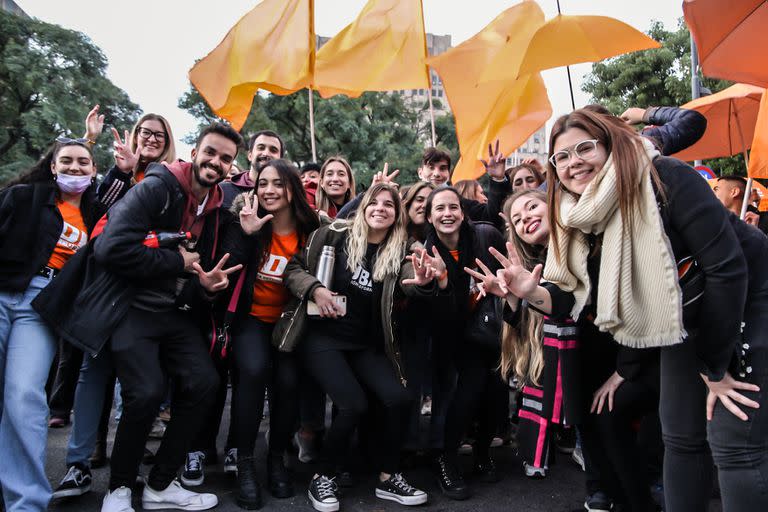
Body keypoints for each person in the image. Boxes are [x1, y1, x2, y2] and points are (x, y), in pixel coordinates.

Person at [494, 108, 754, 512]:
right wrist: (531, 292)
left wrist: (712, 367)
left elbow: (728, 270)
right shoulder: (572, 215)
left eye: (584, 148)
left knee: (733, 444)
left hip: (745, 302)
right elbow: (569, 300)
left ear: (610, 145)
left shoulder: (660, 175)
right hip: (679, 320)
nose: (573, 162)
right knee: (681, 437)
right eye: (561, 157)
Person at [279, 183, 432, 512]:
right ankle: (323, 477)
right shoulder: (336, 234)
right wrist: (316, 290)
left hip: (364, 343)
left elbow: (412, 280)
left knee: (398, 399)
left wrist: (422, 282)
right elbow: (293, 269)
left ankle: (388, 477)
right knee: (353, 405)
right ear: (362, 208)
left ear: (397, 214)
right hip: (322, 337)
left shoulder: (401, 248)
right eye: (373, 202)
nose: (380, 208)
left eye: (388, 204)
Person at [50, 111, 179, 500]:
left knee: (135, 383)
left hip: (147, 295)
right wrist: (122, 173)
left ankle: (130, 453)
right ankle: (79, 463)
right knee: (93, 372)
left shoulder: (173, 182)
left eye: (159, 134)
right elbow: (97, 216)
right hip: (106, 288)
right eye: (145, 132)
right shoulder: (118, 176)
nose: (151, 139)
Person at [0, 137, 100, 512]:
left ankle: (26, 502)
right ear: (53, 166)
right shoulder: (23, 197)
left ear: (93, 171)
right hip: (3, 292)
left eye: (84, 162)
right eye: (67, 161)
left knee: (24, 395)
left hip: (42, 306)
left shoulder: (95, 212)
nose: (75, 168)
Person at [216, 159, 320, 509]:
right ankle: (245, 462)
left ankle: (276, 459)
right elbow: (230, 266)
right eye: (262, 184)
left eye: (278, 183)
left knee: (289, 384)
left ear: (292, 188)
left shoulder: (312, 227)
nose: (269, 190)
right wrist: (247, 233)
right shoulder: (243, 220)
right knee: (254, 372)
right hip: (251, 320)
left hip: (289, 323)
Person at [421, 187, 506, 501]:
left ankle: (483, 453)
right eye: (439, 208)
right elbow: (440, 316)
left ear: (463, 211)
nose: (447, 214)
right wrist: (443, 283)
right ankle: (445, 459)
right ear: (429, 216)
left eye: (453, 207)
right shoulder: (427, 253)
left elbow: (510, 274)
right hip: (450, 337)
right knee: (466, 393)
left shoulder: (484, 237)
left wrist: (500, 286)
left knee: (496, 392)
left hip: (489, 331)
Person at [221, 130, 285, 209]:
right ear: (250, 155)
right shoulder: (223, 191)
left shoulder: (287, 195)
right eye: (261, 148)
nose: (266, 153)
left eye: (273, 150)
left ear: (281, 160)